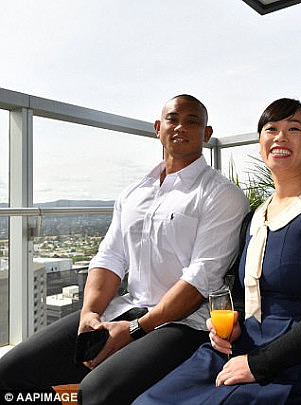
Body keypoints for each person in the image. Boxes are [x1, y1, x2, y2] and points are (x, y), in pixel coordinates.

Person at [0, 95, 249, 404]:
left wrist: (132, 330)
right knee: (11, 371)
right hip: (126, 308)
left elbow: (200, 280)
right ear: (158, 128)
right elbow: (110, 257)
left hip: (183, 324)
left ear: (206, 134)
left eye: (193, 121)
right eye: (173, 119)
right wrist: (90, 313)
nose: (181, 126)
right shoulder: (134, 192)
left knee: (95, 393)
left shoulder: (222, 195)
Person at [134, 98, 301, 405]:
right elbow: (246, 296)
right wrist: (230, 324)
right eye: (271, 128)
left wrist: (258, 364)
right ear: (260, 143)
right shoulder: (254, 217)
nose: (280, 137)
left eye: (294, 128)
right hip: (241, 348)